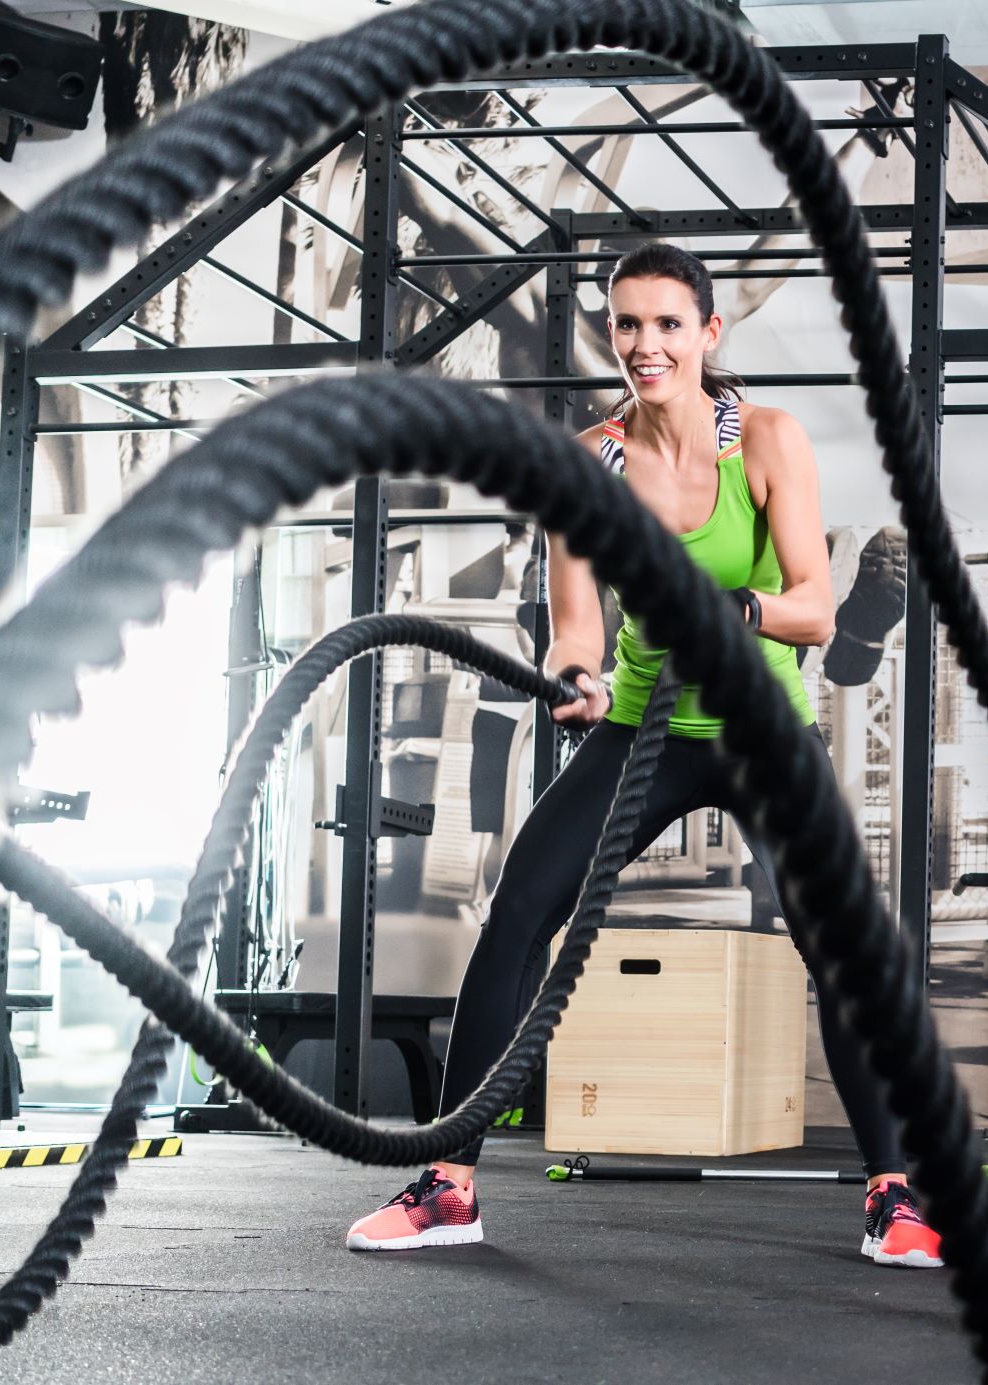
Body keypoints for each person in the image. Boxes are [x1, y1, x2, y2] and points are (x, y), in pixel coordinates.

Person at [344, 243, 940, 1270]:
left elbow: (812, 603)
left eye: (668, 323)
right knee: (518, 912)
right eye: (627, 324)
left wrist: (735, 606)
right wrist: (570, 673)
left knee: (838, 939)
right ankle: (450, 1183)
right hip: (637, 727)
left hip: (760, 728)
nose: (644, 344)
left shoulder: (764, 439)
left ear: (708, 334)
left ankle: (894, 1194)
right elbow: (574, 624)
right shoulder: (588, 463)